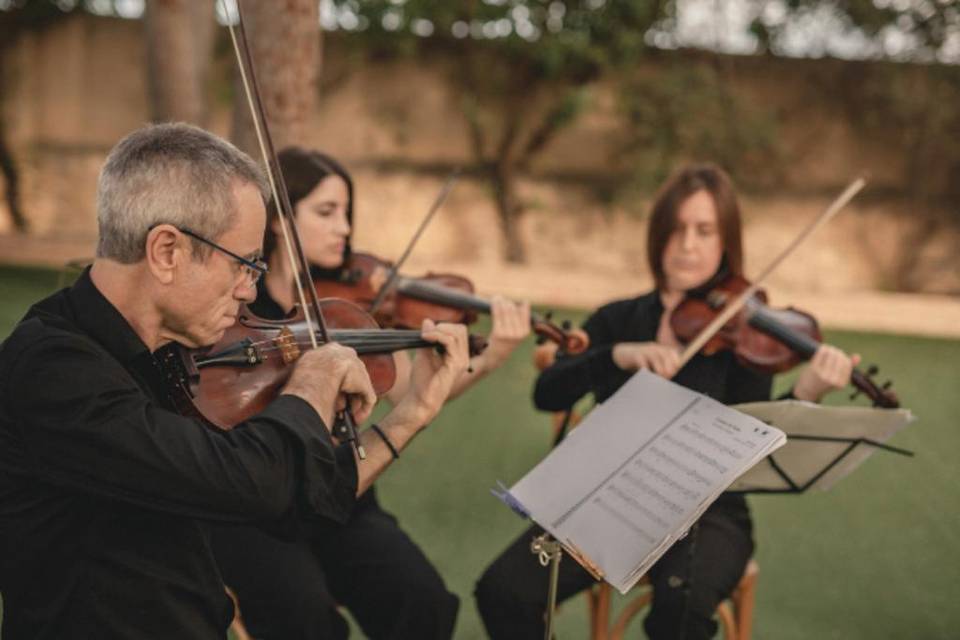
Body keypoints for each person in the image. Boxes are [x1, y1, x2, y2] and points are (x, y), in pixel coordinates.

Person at [0, 123, 469, 640]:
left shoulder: (168, 351)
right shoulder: (55, 372)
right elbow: (248, 483)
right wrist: (310, 383)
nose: (250, 291)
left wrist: (411, 416)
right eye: (244, 264)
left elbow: (292, 503)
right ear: (167, 252)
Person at [474, 163, 859, 639]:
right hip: (612, 504)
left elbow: (752, 442)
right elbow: (547, 391)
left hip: (710, 514)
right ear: (657, 236)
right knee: (504, 592)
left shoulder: (743, 334)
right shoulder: (619, 319)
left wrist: (808, 393)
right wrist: (617, 355)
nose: (688, 244)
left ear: (726, 242)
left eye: (704, 230)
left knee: (681, 608)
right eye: (676, 229)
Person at [211, 147, 532, 639]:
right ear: (279, 221)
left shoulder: (344, 313)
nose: (344, 228)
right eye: (326, 212)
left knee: (422, 601)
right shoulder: (241, 310)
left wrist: (489, 359)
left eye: (346, 214)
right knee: (308, 620)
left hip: (344, 497)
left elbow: (408, 391)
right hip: (262, 513)